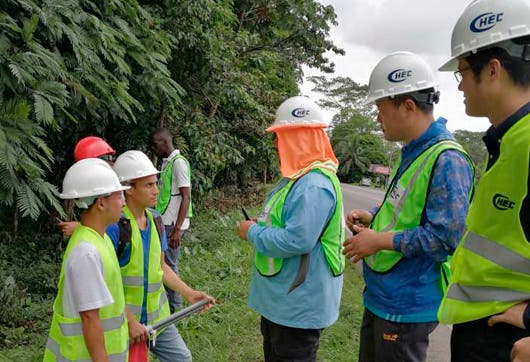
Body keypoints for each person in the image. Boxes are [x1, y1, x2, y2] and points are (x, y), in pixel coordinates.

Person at [342, 51, 474, 362]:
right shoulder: (411, 152)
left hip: (408, 304)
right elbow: (404, 211)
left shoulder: (447, 159)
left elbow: (445, 238)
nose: (377, 118)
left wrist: (379, 240)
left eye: (380, 109)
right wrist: (371, 217)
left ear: (408, 107)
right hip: (383, 298)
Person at [436, 0, 530, 360]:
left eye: (462, 72)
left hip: (505, 338)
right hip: (485, 327)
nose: (459, 86)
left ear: (492, 70)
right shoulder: (507, 141)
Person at [237, 96, 345, 362]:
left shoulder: (313, 185)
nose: (277, 145)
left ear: (299, 138)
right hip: (284, 302)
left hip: (298, 307)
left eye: (281, 137)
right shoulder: (296, 180)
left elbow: (298, 240)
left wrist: (251, 232)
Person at [109, 150, 214, 362]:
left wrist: (189, 293)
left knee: (182, 359)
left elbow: (162, 267)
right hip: (122, 324)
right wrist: (130, 322)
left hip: (158, 318)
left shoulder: (155, 220)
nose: (156, 191)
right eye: (149, 185)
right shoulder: (114, 228)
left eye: (156, 183)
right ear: (129, 189)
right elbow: (105, 283)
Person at [43, 158, 130, 361]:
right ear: (101, 202)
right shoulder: (86, 252)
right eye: (119, 196)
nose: (124, 202)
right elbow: (90, 318)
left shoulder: (101, 239)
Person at [150, 128, 193, 313]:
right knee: (165, 265)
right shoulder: (166, 163)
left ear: (164, 142)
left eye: (155, 144)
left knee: (169, 266)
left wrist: (177, 230)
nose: (153, 148)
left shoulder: (179, 163)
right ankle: (170, 304)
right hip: (164, 221)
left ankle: (176, 308)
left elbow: (186, 197)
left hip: (173, 225)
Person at [58, 136, 117, 236]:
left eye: (111, 158)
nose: (112, 163)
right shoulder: (85, 192)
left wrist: (80, 228)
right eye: (108, 158)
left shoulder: (116, 185)